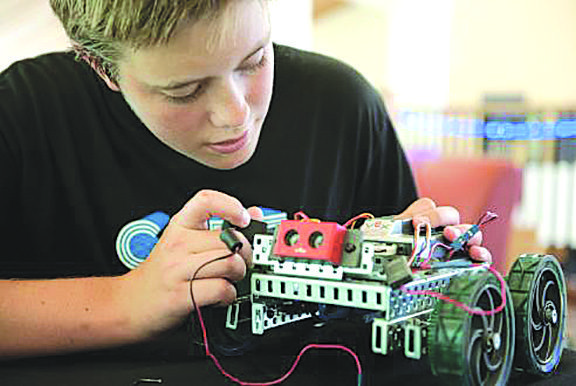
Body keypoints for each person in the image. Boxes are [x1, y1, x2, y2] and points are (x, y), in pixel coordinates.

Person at [0, 0, 490, 359]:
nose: (236, 115)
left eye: (255, 60)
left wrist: (421, 261)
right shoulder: (24, 113)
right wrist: (126, 301)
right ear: (101, 67)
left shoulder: (341, 105)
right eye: (185, 91)